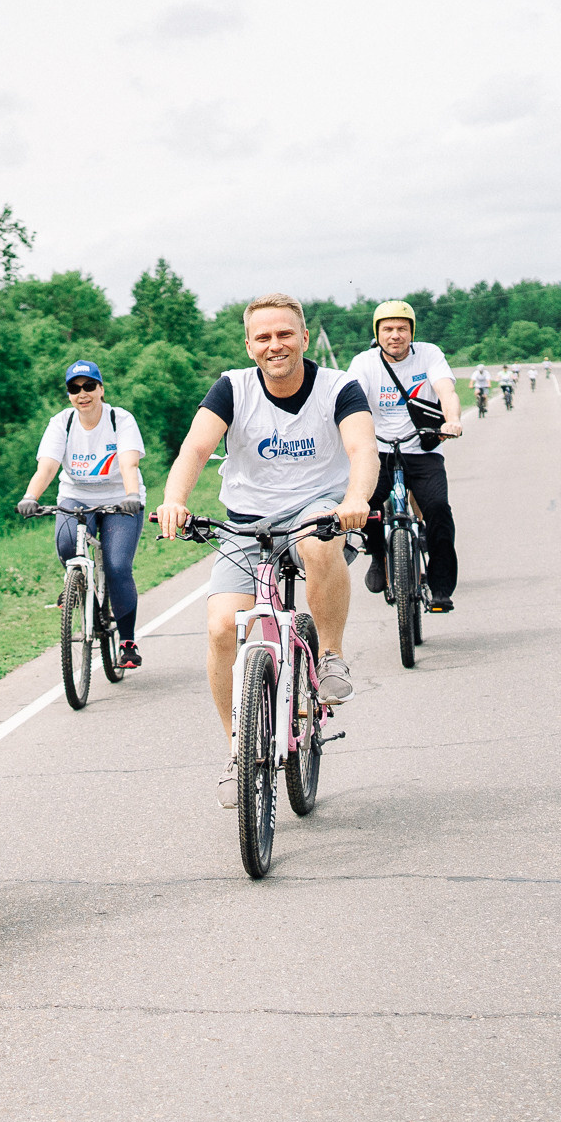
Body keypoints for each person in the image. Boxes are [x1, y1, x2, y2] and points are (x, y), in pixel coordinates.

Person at [156, 294, 376, 806]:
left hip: (318, 514)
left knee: (317, 545)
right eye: (263, 337)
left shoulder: (339, 387)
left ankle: (331, 656)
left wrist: (355, 500)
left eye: (284, 334)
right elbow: (196, 448)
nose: (274, 345)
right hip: (247, 526)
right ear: (249, 344)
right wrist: (173, 500)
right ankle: (238, 750)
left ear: (303, 337)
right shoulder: (232, 388)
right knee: (219, 628)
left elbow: (362, 449)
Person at [19, 361, 149, 668]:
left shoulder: (120, 419)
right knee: (67, 546)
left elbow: (129, 463)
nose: (83, 394)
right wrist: (30, 497)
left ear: (101, 389)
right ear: (69, 395)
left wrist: (132, 496)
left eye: (89, 386)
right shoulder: (62, 423)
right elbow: (47, 466)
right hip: (75, 496)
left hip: (120, 499)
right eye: (74, 389)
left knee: (117, 567)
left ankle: (127, 642)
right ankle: (78, 587)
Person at [347, 301, 465, 612]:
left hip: (421, 449)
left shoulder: (428, 354)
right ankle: (378, 555)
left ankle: (440, 588)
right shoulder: (364, 362)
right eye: (388, 329)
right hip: (379, 450)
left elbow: (446, 390)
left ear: (412, 332)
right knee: (365, 507)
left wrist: (450, 419)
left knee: (438, 510)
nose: (395, 335)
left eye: (402, 329)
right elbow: (351, 398)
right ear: (377, 333)